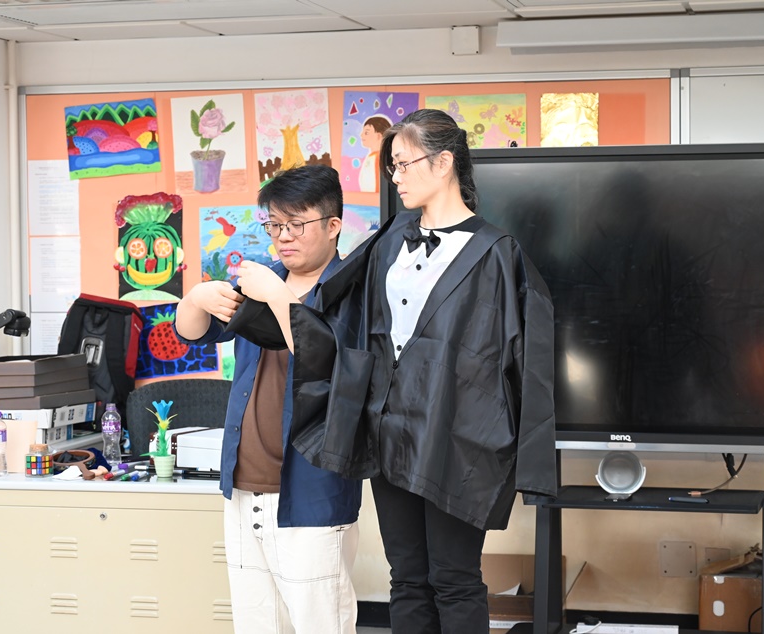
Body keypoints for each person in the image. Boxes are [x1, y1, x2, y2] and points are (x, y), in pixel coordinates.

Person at [228, 109, 557, 634]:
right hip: (391, 436)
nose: (395, 177)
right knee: (406, 578)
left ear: (443, 162)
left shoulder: (497, 253)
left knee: (454, 578)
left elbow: (528, 361)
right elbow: (335, 321)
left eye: (403, 164)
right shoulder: (388, 242)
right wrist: (261, 306)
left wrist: (532, 465)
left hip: (460, 440)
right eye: (393, 167)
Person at [173, 164, 361, 634]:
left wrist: (278, 296)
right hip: (243, 485)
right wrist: (194, 299)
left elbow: (328, 362)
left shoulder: (352, 290)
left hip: (312, 492)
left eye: (296, 224)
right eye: (274, 225)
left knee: (321, 623)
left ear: (333, 225)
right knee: (256, 622)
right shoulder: (262, 281)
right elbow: (191, 332)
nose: (283, 237)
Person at [358, 115, 392, 192]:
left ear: (379, 136)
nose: (361, 135)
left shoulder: (380, 158)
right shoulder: (372, 157)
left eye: (366, 133)